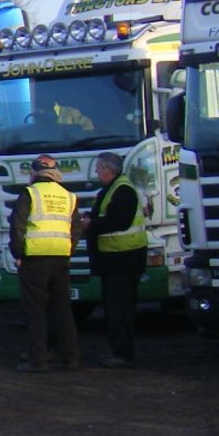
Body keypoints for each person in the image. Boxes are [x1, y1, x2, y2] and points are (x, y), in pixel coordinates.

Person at [9, 153, 79, 372]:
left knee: (36, 311)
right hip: (61, 258)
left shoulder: (30, 193)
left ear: (34, 173)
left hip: (35, 259)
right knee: (63, 310)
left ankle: (38, 360)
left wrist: (18, 254)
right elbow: (75, 228)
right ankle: (71, 359)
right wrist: (68, 249)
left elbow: (18, 227)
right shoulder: (69, 196)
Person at [82, 151, 145, 368]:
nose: (97, 171)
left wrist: (91, 225)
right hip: (115, 260)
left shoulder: (123, 190)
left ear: (109, 169)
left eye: (99, 168)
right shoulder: (112, 189)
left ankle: (123, 354)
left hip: (123, 260)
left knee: (120, 310)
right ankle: (120, 351)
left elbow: (118, 221)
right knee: (115, 308)